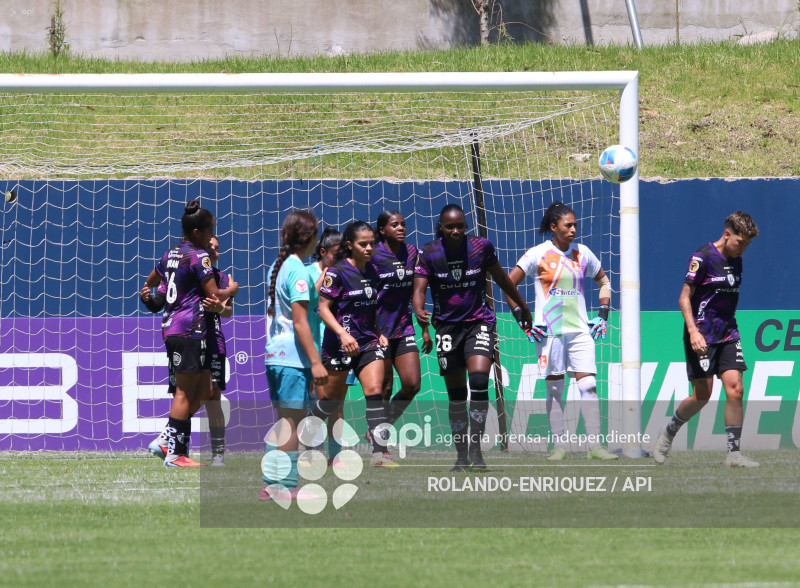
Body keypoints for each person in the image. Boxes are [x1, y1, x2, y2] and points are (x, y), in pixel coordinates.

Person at [413, 204, 532, 472]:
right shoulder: (429, 252)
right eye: (449, 227)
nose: (455, 231)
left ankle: (476, 450)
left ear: (466, 226)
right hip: (446, 329)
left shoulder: (481, 247)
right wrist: (419, 309)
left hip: (479, 323)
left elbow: (502, 279)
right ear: (441, 227)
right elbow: (419, 289)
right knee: (456, 395)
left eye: (460, 226)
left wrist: (523, 306)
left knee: (478, 380)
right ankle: (461, 456)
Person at [505, 201, 618, 461]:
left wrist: (603, 312)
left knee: (589, 385)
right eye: (568, 225)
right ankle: (559, 446)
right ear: (554, 227)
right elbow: (508, 283)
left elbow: (604, 281)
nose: (573, 229)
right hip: (549, 333)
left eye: (575, 225)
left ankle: (595, 447)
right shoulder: (537, 254)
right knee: (555, 389)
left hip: (580, 331)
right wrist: (522, 319)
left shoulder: (583, 253)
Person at [653, 211, 760, 468]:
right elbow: (684, 297)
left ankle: (733, 455)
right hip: (701, 335)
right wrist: (693, 331)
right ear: (727, 234)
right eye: (740, 242)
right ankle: (668, 432)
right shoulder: (702, 258)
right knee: (702, 395)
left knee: (736, 388)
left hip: (728, 333)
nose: (743, 249)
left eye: (747, 244)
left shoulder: (737, 260)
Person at [141, 200, 238, 467]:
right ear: (197, 232)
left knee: (203, 390)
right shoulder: (198, 256)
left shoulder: (171, 253)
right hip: (189, 329)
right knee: (184, 393)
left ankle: (172, 446)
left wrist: (149, 293)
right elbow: (215, 295)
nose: (211, 239)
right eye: (210, 232)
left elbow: (152, 281)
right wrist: (232, 291)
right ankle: (175, 453)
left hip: (172, 327)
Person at [313, 220, 395, 467]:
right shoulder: (336, 272)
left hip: (368, 342)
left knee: (375, 392)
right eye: (363, 244)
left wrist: (379, 332)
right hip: (339, 346)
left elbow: (371, 306)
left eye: (372, 244)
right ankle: (308, 431)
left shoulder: (374, 270)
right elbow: (323, 308)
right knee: (331, 402)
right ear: (349, 245)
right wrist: (342, 334)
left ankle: (379, 454)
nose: (369, 248)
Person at [260, 210, 329, 501]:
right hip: (293, 358)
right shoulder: (299, 269)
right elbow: (301, 322)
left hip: (275, 355)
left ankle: (270, 484)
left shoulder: (279, 266)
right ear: (310, 237)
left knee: (284, 422)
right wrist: (316, 362)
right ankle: (285, 486)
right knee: (292, 423)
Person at [371, 210, 432, 428]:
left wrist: (424, 329)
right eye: (394, 225)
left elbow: (417, 291)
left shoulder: (411, 251)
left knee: (412, 384)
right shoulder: (374, 254)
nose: (401, 228)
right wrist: (374, 331)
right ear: (382, 230)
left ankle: (381, 428)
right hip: (379, 330)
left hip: (404, 327)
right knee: (385, 388)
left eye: (403, 224)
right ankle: (378, 438)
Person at [305, 226, 346, 464]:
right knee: (323, 401)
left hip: (339, 345)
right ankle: (312, 451)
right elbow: (312, 297)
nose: (341, 258)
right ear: (323, 252)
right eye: (336, 254)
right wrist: (329, 273)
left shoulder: (346, 273)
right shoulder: (307, 272)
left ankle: (336, 455)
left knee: (337, 404)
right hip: (315, 346)